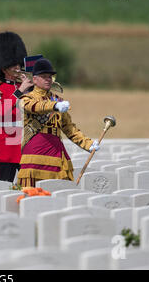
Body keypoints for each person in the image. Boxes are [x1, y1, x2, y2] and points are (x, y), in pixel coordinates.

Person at [17, 58, 99, 187]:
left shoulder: (59, 100)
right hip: (34, 153)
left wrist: (88, 144)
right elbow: (35, 107)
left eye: (50, 76)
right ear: (34, 79)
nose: (48, 79)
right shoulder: (27, 98)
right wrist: (54, 106)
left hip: (55, 152)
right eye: (44, 76)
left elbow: (69, 128)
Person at [0, 31, 34, 183]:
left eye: (19, 64)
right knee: (3, 186)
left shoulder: (29, 88)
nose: (18, 68)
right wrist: (20, 91)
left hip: (27, 143)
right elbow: (1, 112)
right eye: (13, 66)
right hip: (5, 147)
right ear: (4, 69)